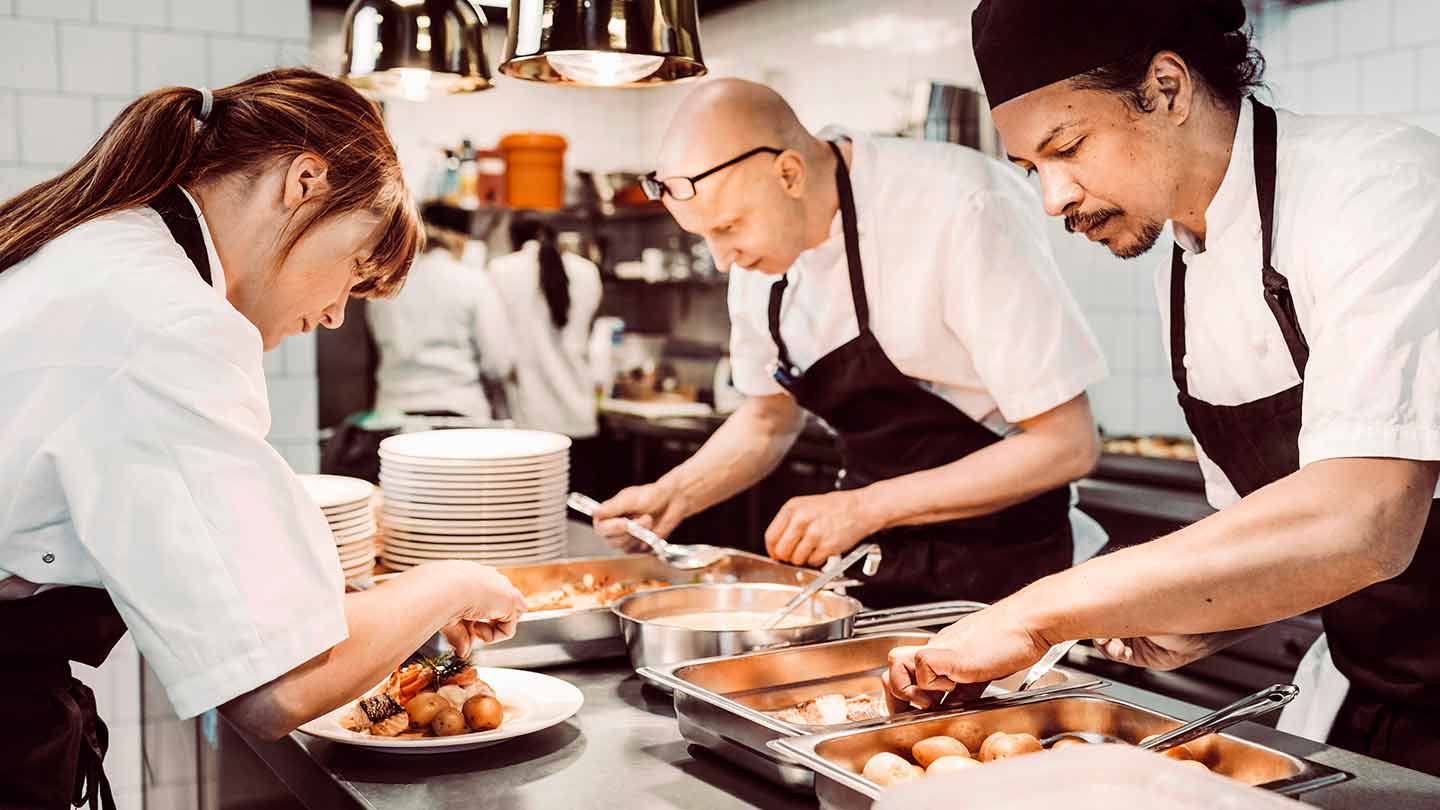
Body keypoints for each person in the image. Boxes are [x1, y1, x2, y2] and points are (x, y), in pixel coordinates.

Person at [887, 0, 1440, 776]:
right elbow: (1262, 535)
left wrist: (1037, 612)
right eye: (1030, 170)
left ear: (1169, 88)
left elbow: (1364, 518)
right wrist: (1206, 620)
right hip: (1372, 687)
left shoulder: (1378, 188)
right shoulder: (1179, 270)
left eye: (1067, 147)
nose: (1054, 200)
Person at [0, 69, 526, 809]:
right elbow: (278, 687)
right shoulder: (167, 320)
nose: (338, 312)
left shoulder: (106, 254)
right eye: (354, 266)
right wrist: (454, 582)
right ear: (304, 182)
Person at [593, 80, 1110, 607]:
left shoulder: (960, 204)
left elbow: (1066, 444)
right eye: (705, 237)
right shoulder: (756, 252)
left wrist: (865, 508)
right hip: (875, 569)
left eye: (728, 228)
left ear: (789, 173)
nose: (724, 259)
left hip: (1009, 573)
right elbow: (768, 419)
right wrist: (672, 496)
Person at [366, 202, 515, 420]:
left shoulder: (387, 284)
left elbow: (376, 343)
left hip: (393, 410)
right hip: (459, 409)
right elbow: (499, 362)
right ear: (461, 239)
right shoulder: (474, 281)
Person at [489, 218, 604, 495]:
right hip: (579, 419)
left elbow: (498, 353)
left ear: (514, 240)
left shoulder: (501, 270)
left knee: (531, 526)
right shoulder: (588, 271)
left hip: (528, 426)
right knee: (580, 525)